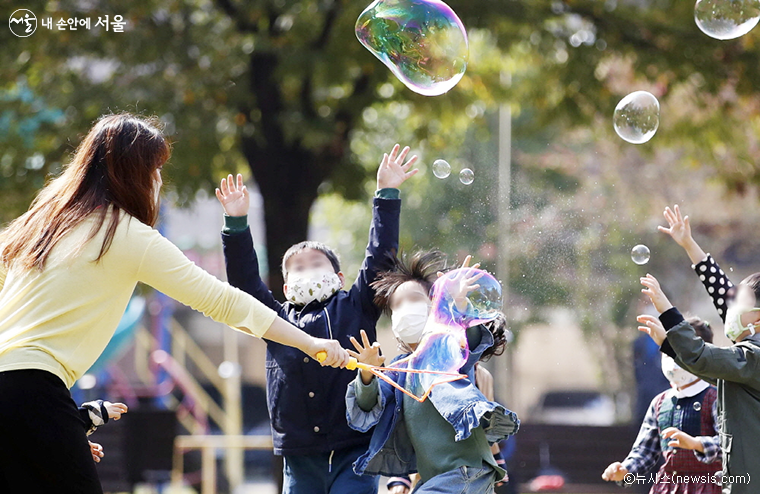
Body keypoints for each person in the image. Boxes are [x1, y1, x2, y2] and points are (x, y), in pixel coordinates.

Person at [0, 113, 348, 493]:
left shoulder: (40, 225)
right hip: (35, 390)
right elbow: (221, 300)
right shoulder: (123, 234)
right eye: (156, 168)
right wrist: (309, 343)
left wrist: (54, 430)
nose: (160, 180)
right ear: (134, 173)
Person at [215, 144, 418, 494]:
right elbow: (245, 283)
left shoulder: (357, 304)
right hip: (298, 455)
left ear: (339, 277)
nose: (305, 270)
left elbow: (381, 255)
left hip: (355, 448)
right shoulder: (276, 318)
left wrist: (386, 193)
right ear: (284, 284)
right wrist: (236, 224)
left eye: (316, 264)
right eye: (296, 267)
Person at [345, 251, 519, 494]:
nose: (406, 309)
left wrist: (459, 307)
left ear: (435, 306)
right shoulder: (401, 370)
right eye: (397, 305)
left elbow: (469, 341)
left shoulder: (448, 348)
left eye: (414, 299)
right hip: (434, 479)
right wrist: (367, 372)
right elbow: (368, 404)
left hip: (465, 472)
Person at [602, 317, 722, 493]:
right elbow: (644, 451)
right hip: (667, 488)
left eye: (681, 352)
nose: (673, 360)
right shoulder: (660, 402)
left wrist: (696, 444)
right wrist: (625, 471)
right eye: (668, 353)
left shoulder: (716, 398)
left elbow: (729, 446)